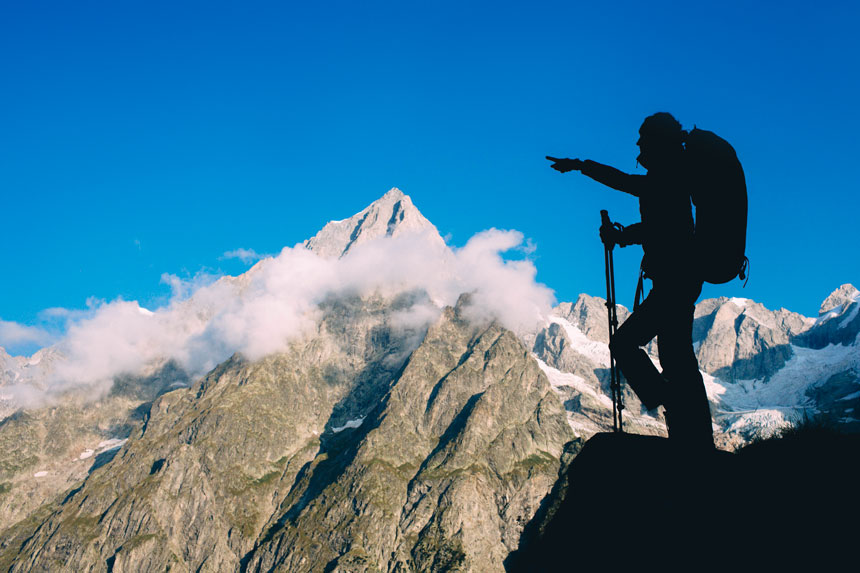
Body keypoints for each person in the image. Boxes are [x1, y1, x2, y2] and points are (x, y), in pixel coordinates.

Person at [548, 112, 714, 450]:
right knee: (677, 356)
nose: (639, 145)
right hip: (679, 279)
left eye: (644, 139)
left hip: (674, 280)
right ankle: (690, 431)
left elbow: (628, 185)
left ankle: (673, 407)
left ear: (658, 142)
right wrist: (624, 235)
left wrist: (581, 166)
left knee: (629, 345)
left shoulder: (665, 177)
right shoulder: (672, 177)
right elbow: (663, 226)